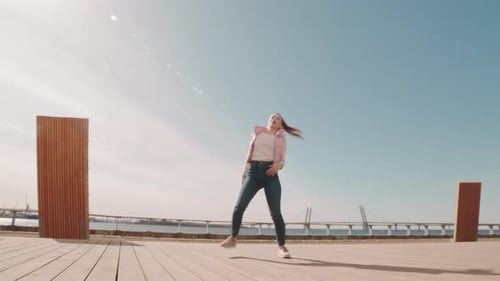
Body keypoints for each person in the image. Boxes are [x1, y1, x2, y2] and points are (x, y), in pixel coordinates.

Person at [220, 113, 303, 258]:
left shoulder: (281, 138)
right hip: (253, 173)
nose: (274, 119)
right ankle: (233, 238)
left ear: (279, 125)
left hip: (270, 174)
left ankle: (282, 247)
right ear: (269, 120)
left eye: (278, 119)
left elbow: (282, 159)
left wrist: (279, 166)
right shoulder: (257, 133)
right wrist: (244, 173)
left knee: (276, 213)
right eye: (273, 117)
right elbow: (249, 154)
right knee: (239, 207)